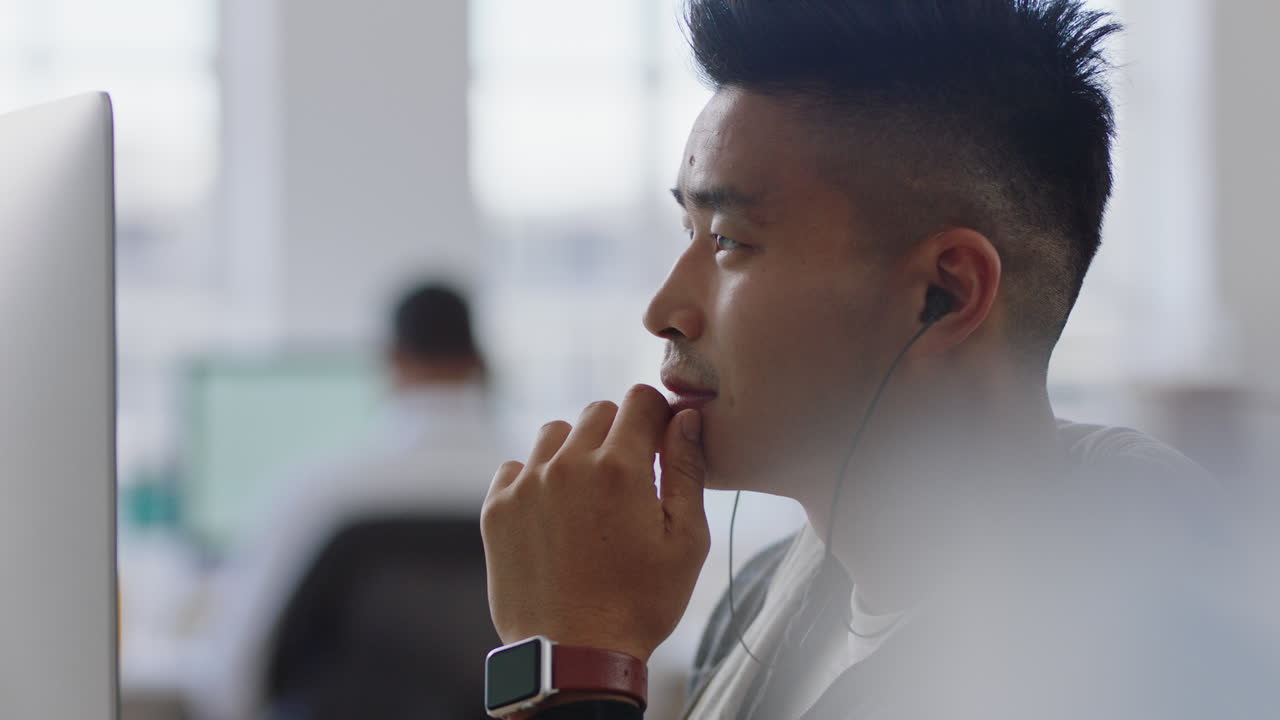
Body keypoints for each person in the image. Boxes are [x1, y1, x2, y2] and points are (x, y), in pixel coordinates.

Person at [479, 2, 1271, 719]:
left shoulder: (1126, 659)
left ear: (945, 294)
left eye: (729, 242)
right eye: (690, 232)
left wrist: (577, 662)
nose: (664, 310)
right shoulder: (758, 603)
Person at [187, 282, 505, 720]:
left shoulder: (319, 491)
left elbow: (231, 684)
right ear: (481, 363)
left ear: (392, 360)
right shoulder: (543, 493)